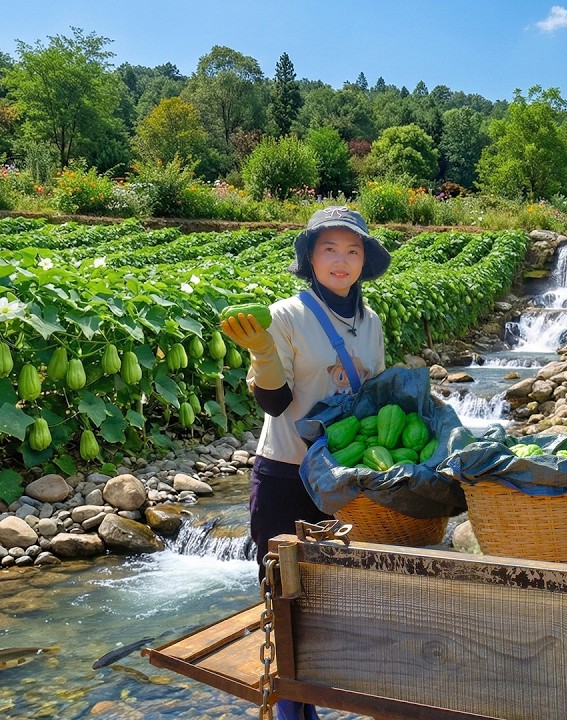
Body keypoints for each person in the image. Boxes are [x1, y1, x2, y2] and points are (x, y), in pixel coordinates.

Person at [220, 206, 390, 720]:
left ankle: (312, 702)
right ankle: (295, 714)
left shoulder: (371, 321)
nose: (341, 260)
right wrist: (263, 355)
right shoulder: (284, 315)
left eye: (352, 250)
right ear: (310, 258)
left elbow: (375, 399)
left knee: (332, 604)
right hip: (287, 475)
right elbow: (275, 404)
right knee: (285, 603)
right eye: (329, 249)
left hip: (342, 481)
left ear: (365, 260)